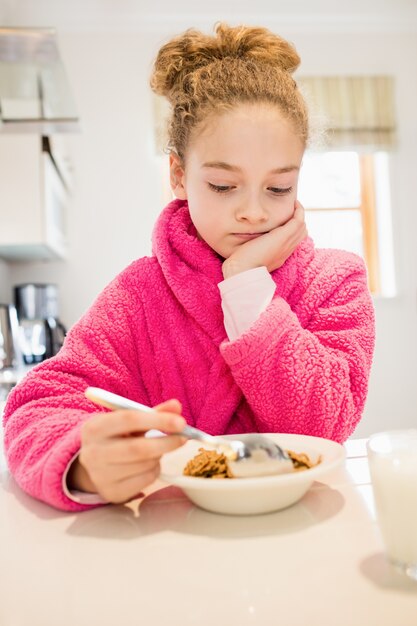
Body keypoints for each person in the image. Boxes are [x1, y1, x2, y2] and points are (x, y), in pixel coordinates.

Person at [2, 23, 375, 512]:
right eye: (223, 186)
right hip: (168, 552)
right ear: (179, 174)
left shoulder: (336, 282)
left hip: (302, 541)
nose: (255, 212)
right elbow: (38, 405)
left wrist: (247, 287)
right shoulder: (139, 293)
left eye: (279, 188)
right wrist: (84, 463)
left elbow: (321, 428)